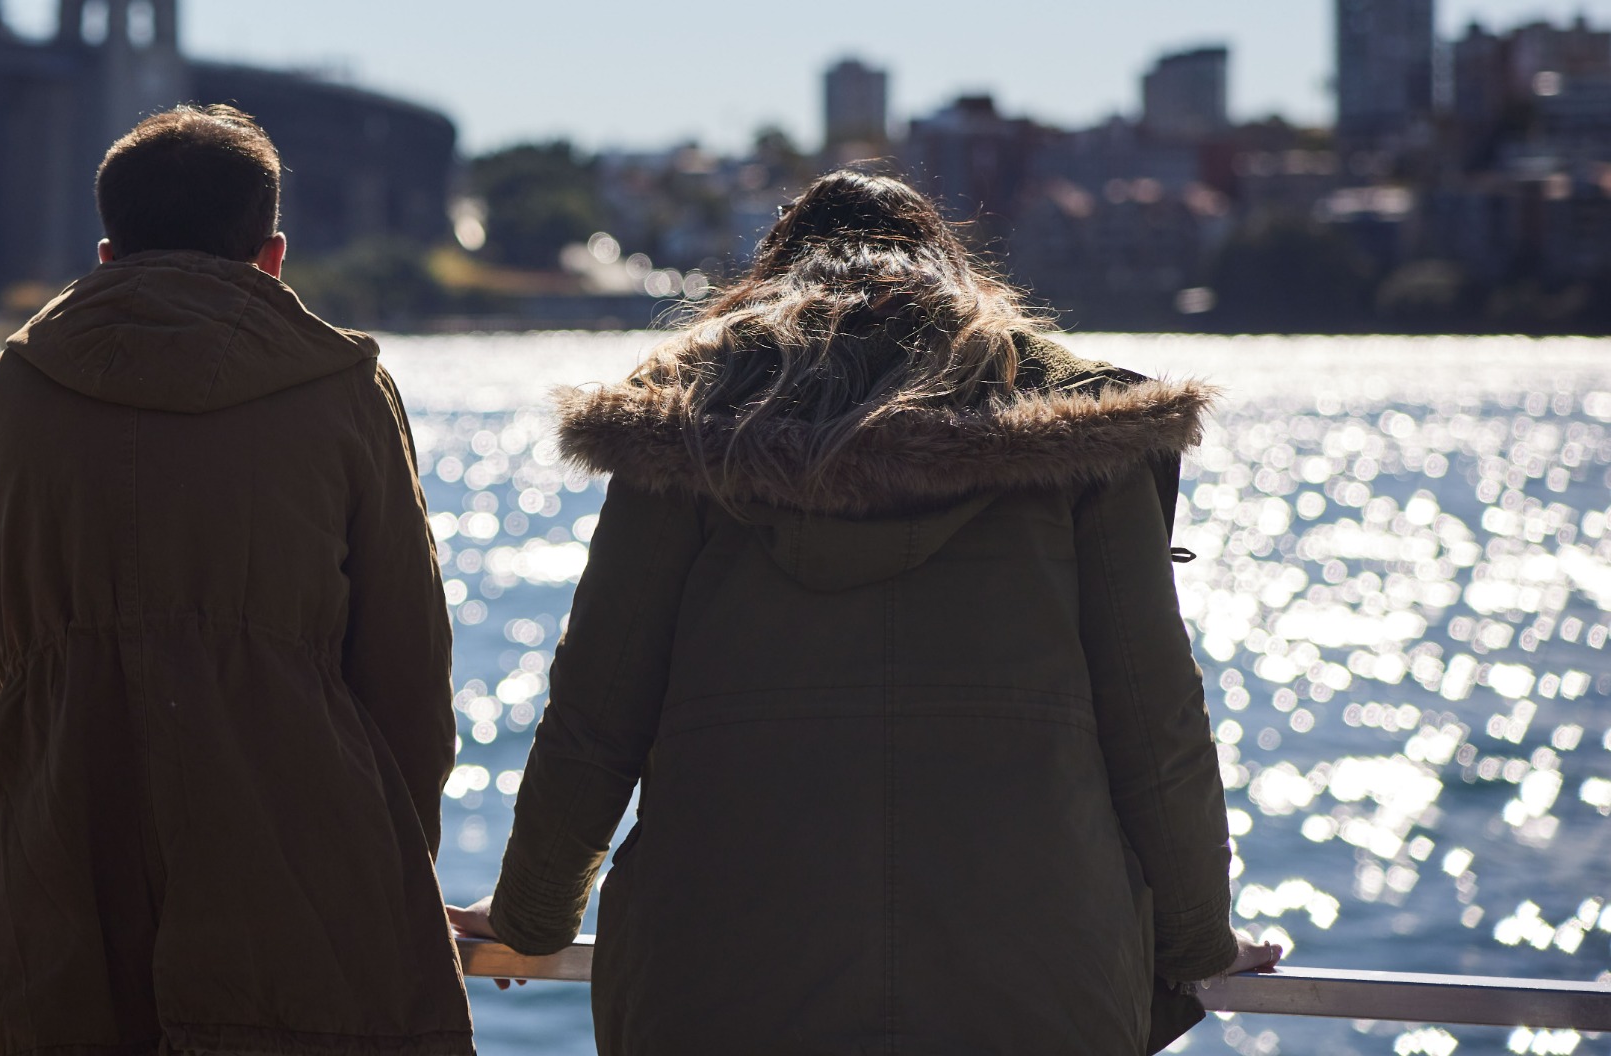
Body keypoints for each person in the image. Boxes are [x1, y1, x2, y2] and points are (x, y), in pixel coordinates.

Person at [454, 170, 1277, 1054]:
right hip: (1033, 983)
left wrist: (531, 915)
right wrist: (1199, 939)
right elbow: (1155, 720)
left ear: (770, 283)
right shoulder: (1082, 426)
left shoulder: (683, 423)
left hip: (719, 983)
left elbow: (596, 710)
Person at [0, 104, 474, 1056]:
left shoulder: (2, 403)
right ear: (271, 254)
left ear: (108, 255)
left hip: (56, 893)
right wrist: (393, 880)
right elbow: (408, 677)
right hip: (302, 894)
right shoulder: (342, 393)